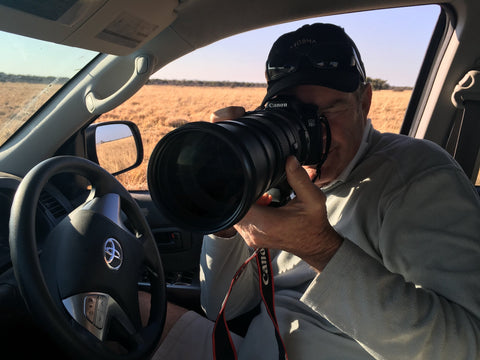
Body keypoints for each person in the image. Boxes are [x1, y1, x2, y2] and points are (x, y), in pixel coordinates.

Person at [152, 23, 480, 359]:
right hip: (254, 347)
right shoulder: (280, 172)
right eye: (296, 114)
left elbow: (464, 347)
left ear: (364, 102)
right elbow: (224, 305)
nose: (313, 132)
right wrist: (224, 210)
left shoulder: (415, 175)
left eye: (329, 110)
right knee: (133, 309)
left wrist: (320, 249)